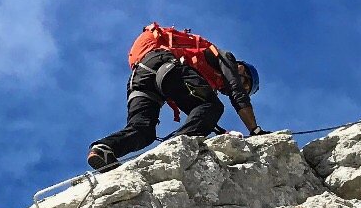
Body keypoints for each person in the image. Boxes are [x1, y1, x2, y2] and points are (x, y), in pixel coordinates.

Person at [87, 23, 266, 171]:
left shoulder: (203, 76)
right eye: (246, 83)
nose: (242, 87)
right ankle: (172, 147)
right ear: (242, 69)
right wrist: (255, 130)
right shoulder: (225, 58)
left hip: (141, 74)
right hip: (164, 63)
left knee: (143, 130)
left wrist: (217, 130)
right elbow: (236, 93)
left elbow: (197, 111)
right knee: (213, 106)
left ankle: (104, 149)